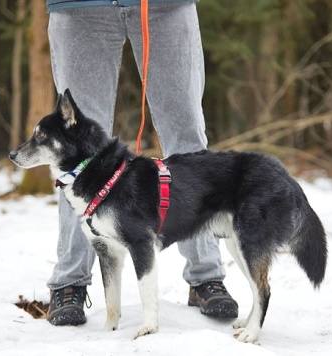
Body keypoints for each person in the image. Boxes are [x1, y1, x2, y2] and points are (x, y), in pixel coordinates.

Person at [45, 0, 238, 326]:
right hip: (79, 7)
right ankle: (70, 281)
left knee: (187, 137)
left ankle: (205, 275)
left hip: (166, 6)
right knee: (75, 148)